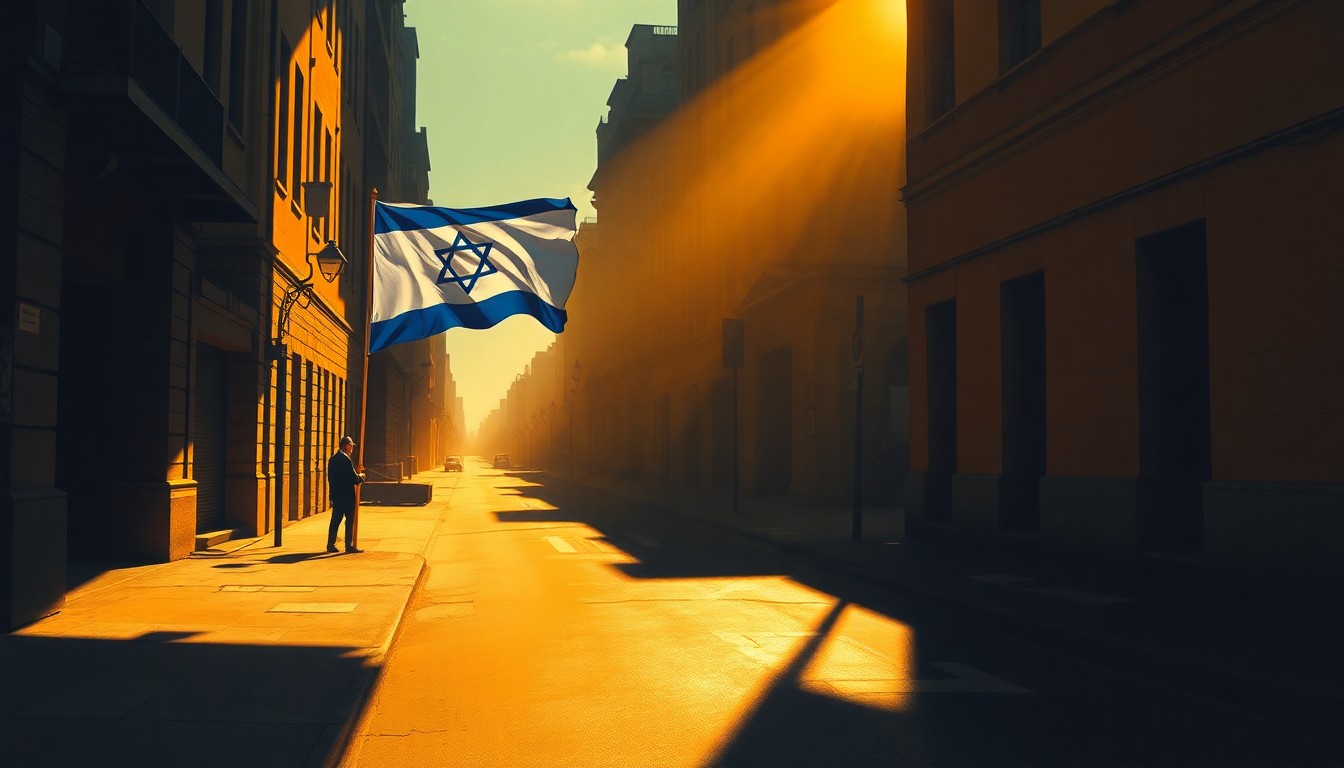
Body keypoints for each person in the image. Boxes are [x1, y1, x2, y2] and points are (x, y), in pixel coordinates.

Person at [327, 436, 365, 553]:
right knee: (350, 521)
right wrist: (361, 477)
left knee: (335, 520)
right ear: (346, 445)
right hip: (347, 496)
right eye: (350, 445)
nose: (352, 448)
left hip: (337, 495)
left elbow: (331, 478)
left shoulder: (333, 459)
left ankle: (330, 544)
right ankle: (349, 546)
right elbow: (353, 478)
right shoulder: (346, 460)